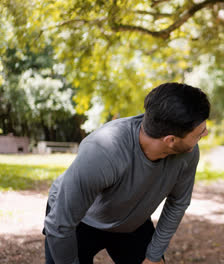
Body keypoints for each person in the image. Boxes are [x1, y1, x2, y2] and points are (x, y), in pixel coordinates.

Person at [43, 82, 210, 264]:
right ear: (170, 140)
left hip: (131, 224)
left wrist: (153, 256)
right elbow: (60, 224)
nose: (206, 133)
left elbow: (178, 202)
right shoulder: (104, 150)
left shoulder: (187, 153)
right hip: (80, 221)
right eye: (200, 133)